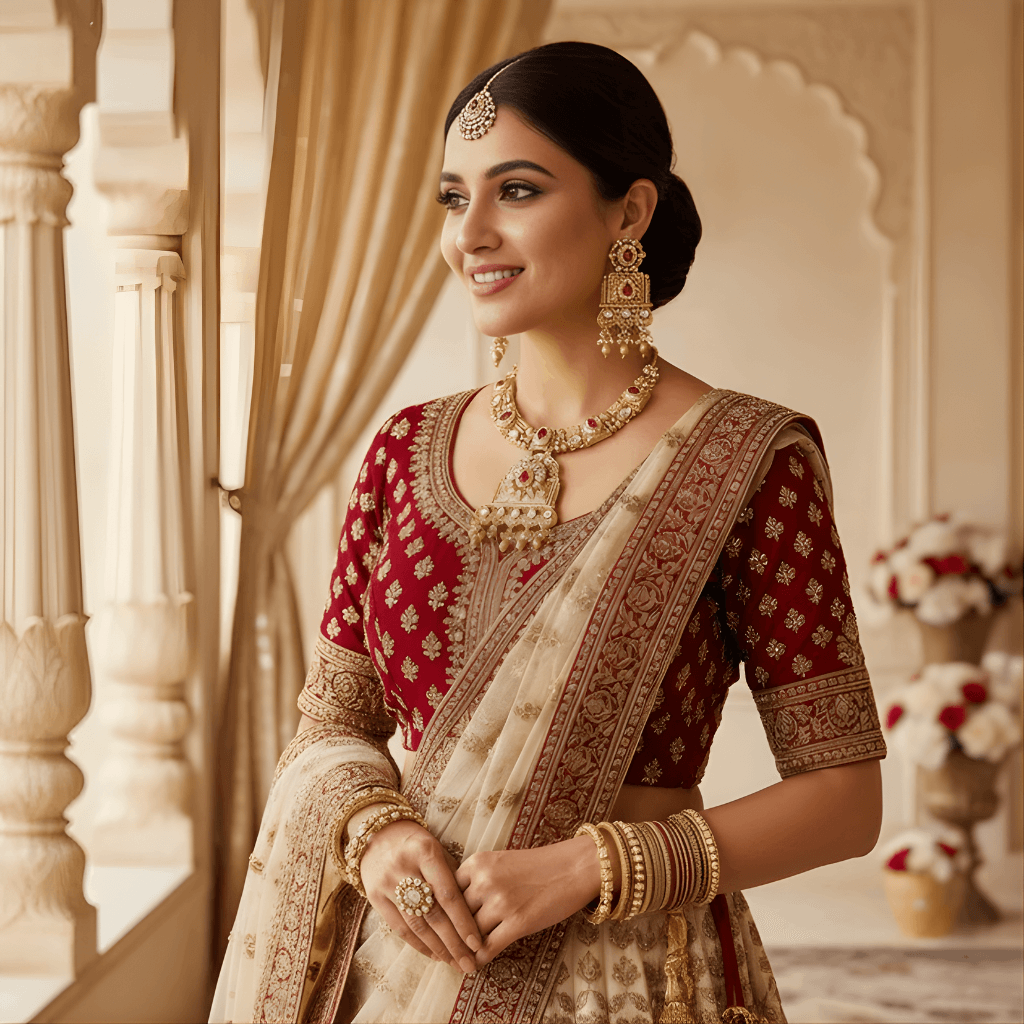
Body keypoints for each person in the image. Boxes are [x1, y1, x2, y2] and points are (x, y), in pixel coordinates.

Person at [211, 41, 886, 1024]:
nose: (470, 234)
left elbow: (842, 797)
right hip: (395, 972)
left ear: (630, 211)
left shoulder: (749, 458)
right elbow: (331, 727)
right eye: (453, 197)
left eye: (515, 190)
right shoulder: (404, 449)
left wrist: (585, 865)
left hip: (636, 982)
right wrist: (379, 835)